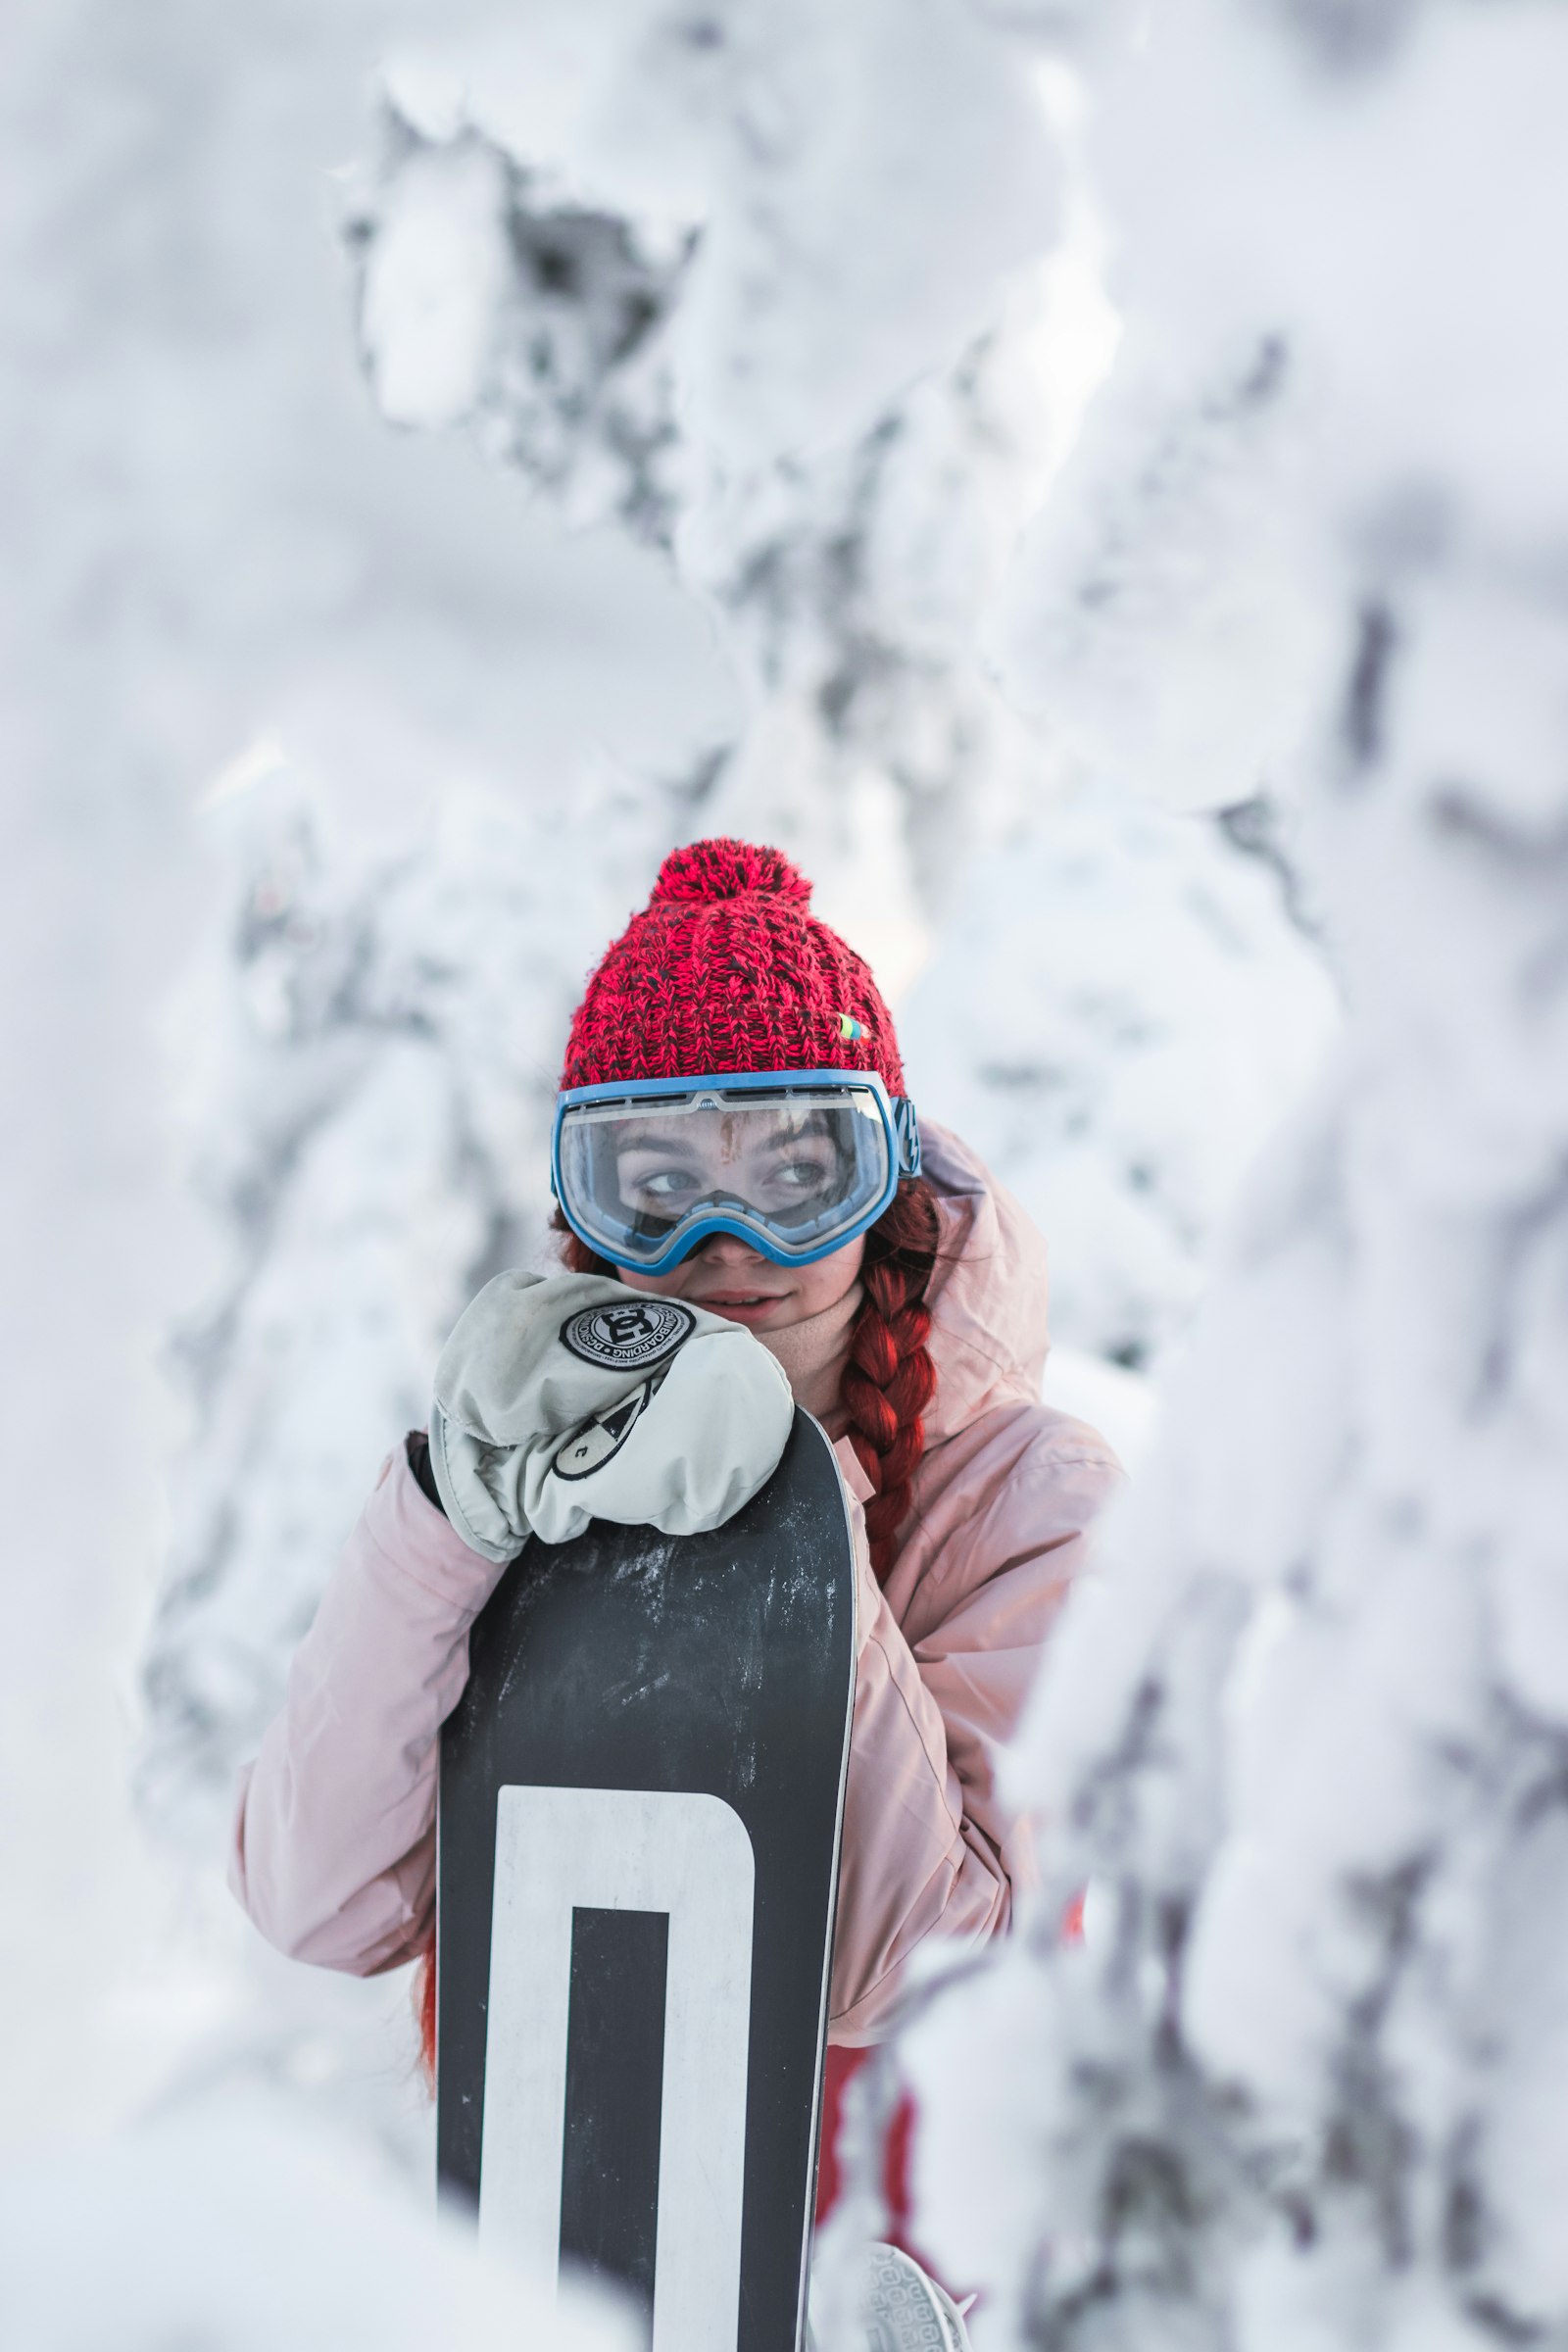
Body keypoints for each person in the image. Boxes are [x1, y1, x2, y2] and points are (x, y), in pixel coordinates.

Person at [228, 834, 1121, 2240]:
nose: (729, 1245)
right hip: (585, 2258)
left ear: (877, 1176)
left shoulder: (1037, 1503)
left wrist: (789, 1506)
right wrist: (447, 1515)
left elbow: (936, 1967)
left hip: (892, 2287)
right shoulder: (542, 1476)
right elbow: (314, 1902)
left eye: (792, 1172)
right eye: (654, 1181)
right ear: (585, 1214)